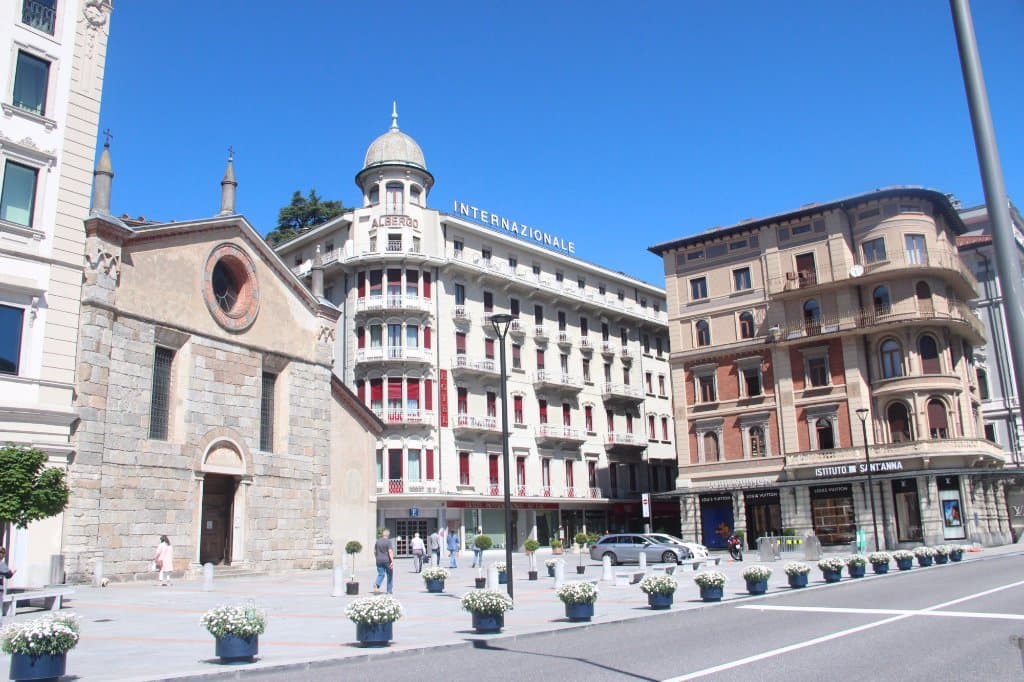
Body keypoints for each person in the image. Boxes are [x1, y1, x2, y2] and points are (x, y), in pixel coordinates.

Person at [373, 529, 395, 594]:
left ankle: (377, 583)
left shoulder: (377, 541)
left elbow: (374, 551)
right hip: (387, 560)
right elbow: (390, 551)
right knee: (389, 575)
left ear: (383, 535)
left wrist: (377, 557)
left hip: (379, 560)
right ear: (388, 535)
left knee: (381, 574)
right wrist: (392, 561)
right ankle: (389, 590)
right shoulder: (388, 541)